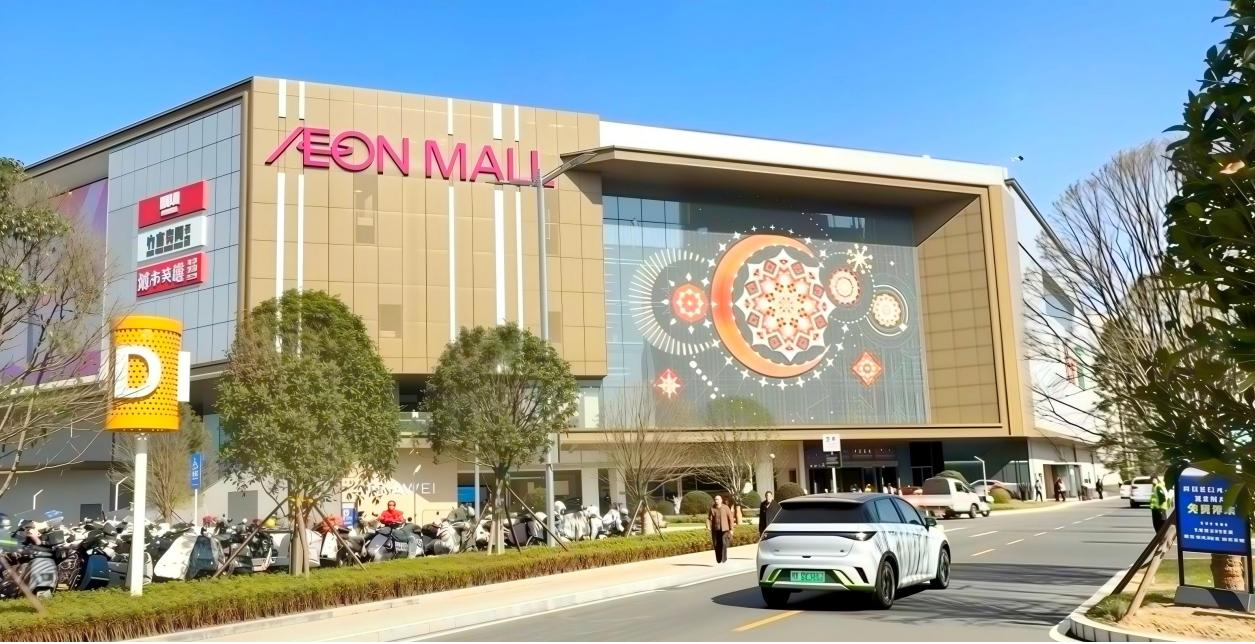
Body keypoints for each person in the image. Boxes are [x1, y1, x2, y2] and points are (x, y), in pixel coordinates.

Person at [707, 495, 734, 564]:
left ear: (721, 500)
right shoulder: (712, 508)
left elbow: (730, 518)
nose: (716, 501)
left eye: (718, 499)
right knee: (716, 544)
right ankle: (718, 559)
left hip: (724, 529)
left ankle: (723, 558)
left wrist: (731, 529)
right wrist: (708, 526)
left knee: (723, 543)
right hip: (716, 530)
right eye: (715, 499)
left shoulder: (725, 507)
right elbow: (709, 518)